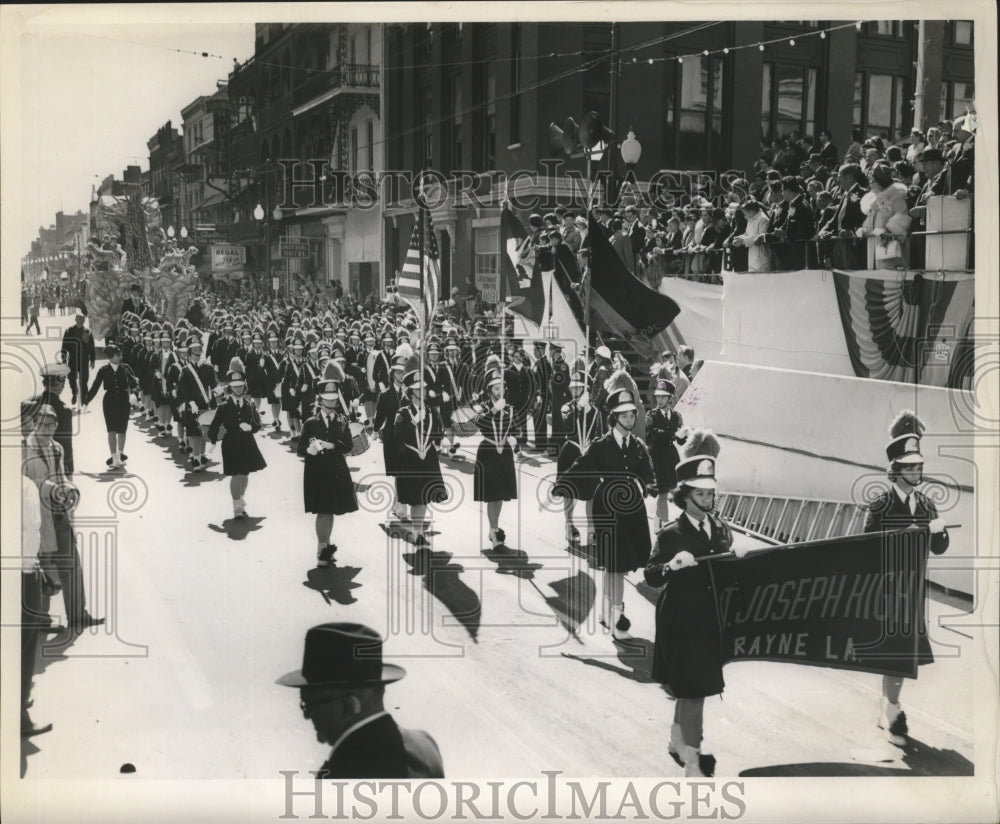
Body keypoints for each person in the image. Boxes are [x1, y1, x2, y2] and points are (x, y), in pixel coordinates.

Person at [644, 430, 747, 777]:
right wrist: (670, 565)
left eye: (711, 493)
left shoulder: (720, 529)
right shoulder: (670, 535)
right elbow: (650, 575)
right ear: (685, 496)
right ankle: (692, 758)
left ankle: (678, 739)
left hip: (708, 621)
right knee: (693, 691)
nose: (708, 499)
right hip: (680, 621)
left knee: (694, 689)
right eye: (701, 493)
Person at [863, 410, 949, 747]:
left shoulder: (927, 505)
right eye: (910, 467)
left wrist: (938, 534)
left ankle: (890, 707)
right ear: (896, 470)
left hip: (913, 590)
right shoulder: (881, 505)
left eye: (919, 466)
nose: (917, 472)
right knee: (895, 652)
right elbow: (867, 547)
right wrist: (904, 533)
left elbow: (939, 548)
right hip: (887, 589)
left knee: (902, 654)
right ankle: (892, 711)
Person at [276, 622, 444, 779]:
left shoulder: (343, 773)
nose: (306, 716)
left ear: (349, 706)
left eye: (310, 705)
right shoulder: (425, 744)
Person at [569, 388, 657, 641]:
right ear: (614, 417)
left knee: (617, 565)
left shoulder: (638, 444)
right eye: (624, 415)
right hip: (608, 508)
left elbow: (646, 471)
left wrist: (650, 485)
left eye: (632, 414)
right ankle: (618, 620)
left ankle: (606, 612)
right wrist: (563, 485)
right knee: (616, 564)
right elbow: (581, 466)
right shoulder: (601, 445)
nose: (630, 419)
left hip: (632, 510)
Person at [22, 403, 104, 633]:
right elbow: (23, 483)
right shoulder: (24, 448)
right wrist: (49, 488)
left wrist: (68, 488)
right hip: (38, 517)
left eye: (52, 424)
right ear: (34, 424)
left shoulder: (57, 447)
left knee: (72, 566)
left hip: (60, 514)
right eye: (42, 423)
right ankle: (41, 619)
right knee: (43, 567)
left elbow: (62, 476)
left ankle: (78, 615)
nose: (47, 428)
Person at [299, 364, 358, 568]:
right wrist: (310, 449)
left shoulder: (342, 420)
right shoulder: (310, 423)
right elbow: (300, 449)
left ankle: (327, 543)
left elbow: (349, 445)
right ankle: (322, 548)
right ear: (320, 399)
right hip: (317, 472)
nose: (330, 404)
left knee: (331, 510)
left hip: (336, 471)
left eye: (334, 400)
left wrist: (332, 445)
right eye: (327, 400)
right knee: (323, 511)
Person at [206, 358, 268, 519]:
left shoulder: (250, 405)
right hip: (231, 443)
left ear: (244, 386)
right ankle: (237, 506)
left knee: (245, 474)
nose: (238, 389)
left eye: (240, 386)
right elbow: (214, 424)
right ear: (230, 388)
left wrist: (251, 427)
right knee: (236, 473)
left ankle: (241, 498)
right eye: (235, 386)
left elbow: (257, 424)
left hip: (247, 443)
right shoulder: (224, 407)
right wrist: (212, 441)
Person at [393, 370, 449, 545]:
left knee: (424, 497)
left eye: (423, 389)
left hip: (428, 457)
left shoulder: (432, 411)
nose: (421, 392)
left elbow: (437, 432)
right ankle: (416, 531)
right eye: (417, 389)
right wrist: (414, 422)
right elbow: (398, 436)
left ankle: (417, 532)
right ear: (410, 392)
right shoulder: (403, 413)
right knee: (415, 496)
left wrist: (440, 440)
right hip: (411, 457)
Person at [552, 369, 603, 547]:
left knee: (591, 494)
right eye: (573, 388)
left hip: (588, 454)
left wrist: (588, 410)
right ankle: (569, 524)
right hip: (571, 452)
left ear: (586, 388)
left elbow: (599, 434)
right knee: (569, 492)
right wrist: (579, 409)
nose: (575, 391)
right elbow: (567, 425)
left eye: (579, 387)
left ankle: (591, 529)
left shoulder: (596, 411)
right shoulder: (567, 407)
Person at [471, 369, 518, 548]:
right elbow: (479, 423)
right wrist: (493, 410)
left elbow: (515, 428)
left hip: (504, 453)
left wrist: (514, 438)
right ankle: (493, 530)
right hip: (488, 452)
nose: (500, 392)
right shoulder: (481, 407)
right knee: (492, 495)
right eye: (496, 388)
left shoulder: (509, 408)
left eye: (502, 388)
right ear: (489, 390)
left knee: (500, 495)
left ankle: (494, 527)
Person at [21, 474, 53, 737]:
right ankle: (18, 713)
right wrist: (30, 566)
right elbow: (32, 528)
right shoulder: (23, 485)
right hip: (19, 573)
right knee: (24, 644)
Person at [83, 343, 139, 470]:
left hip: (124, 401)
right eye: (118, 355)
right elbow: (95, 387)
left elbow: (134, 382)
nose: (121, 356)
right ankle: (114, 457)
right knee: (111, 430)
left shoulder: (125, 368)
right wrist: (86, 402)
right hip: (109, 402)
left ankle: (120, 455)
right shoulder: (103, 370)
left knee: (122, 429)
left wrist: (134, 394)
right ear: (111, 356)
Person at [645, 379, 688, 526]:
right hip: (656, 456)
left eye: (663, 396)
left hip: (670, 456)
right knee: (662, 492)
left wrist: (685, 434)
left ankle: (659, 522)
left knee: (675, 489)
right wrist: (675, 435)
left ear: (670, 398)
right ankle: (665, 522)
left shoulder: (677, 416)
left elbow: (681, 441)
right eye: (658, 396)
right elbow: (656, 434)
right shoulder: (651, 415)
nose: (660, 399)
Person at [373, 352, 409, 520]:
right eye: (398, 372)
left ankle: (399, 503)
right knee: (399, 471)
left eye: (403, 372)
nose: (401, 375)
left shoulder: (411, 393)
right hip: (391, 437)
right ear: (392, 373)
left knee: (404, 470)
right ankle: (400, 504)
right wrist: (375, 430)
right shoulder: (385, 394)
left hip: (409, 436)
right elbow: (379, 417)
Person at [60, 311, 96, 408]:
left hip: (84, 360)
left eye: (82, 319)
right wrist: (64, 358)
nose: (80, 321)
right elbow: (64, 345)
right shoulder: (69, 331)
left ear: (84, 321)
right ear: (75, 320)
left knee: (84, 381)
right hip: (73, 359)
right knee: (71, 378)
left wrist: (92, 360)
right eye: (78, 319)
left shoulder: (88, 332)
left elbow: (92, 347)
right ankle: (75, 393)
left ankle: (84, 401)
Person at [530, 339, 552, 453]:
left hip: (541, 397)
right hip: (537, 396)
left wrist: (541, 397)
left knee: (540, 421)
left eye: (535, 350)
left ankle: (541, 445)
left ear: (541, 350)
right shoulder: (539, 362)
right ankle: (539, 444)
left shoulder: (544, 364)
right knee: (536, 420)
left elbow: (545, 383)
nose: (534, 352)